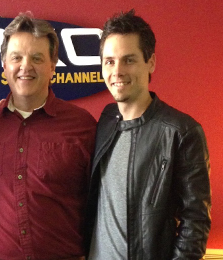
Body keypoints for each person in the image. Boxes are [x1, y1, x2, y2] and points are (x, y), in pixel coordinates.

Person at [86, 9, 211, 260]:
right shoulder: (106, 120)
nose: (117, 71)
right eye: (109, 61)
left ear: (150, 62)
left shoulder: (182, 131)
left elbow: (195, 222)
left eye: (129, 60)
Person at [0, 12, 97, 260]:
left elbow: (101, 202)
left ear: (52, 66)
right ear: (4, 65)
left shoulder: (83, 126)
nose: (25, 66)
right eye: (16, 57)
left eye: (37, 58)